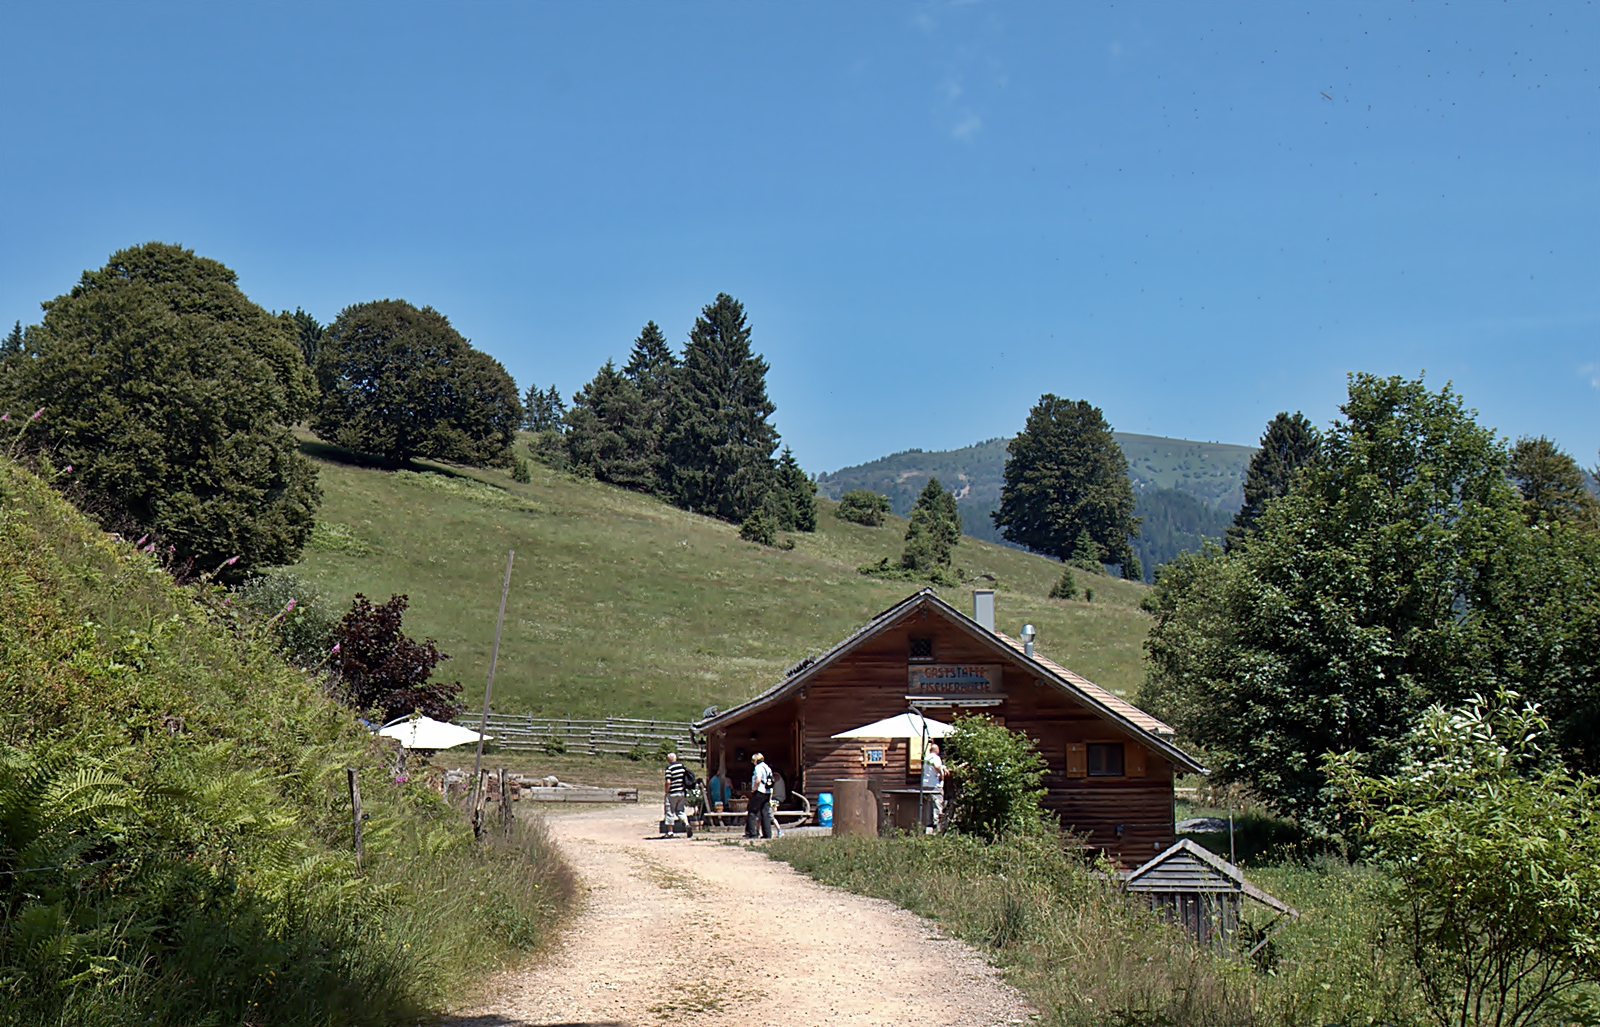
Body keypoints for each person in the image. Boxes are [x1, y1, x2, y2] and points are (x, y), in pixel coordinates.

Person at [745, 752, 775, 839]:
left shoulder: (758, 767)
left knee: (752, 812)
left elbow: (758, 779)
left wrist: (754, 788)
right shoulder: (767, 767)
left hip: (759, 791)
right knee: (764, 813)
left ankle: (752, 833)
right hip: (767, 791)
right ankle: (767, 834)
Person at [664, 751, 693, 838]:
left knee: (670, 811)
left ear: (668, 760)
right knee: (680, 810)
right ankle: (687, 824)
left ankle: (670, 832)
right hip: (682, 792)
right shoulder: (682, 766)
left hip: (672, 792)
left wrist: (666, 791)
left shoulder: (669, 768)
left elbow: (668, 782)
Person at [922, 741, 948, 832]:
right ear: (937, 750)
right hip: (934, 785)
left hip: (925, 784)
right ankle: (937, 825)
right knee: (937, 804)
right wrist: (941, 773)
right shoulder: (936, 758)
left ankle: (928, 824)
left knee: (928, 804)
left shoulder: (926, 758)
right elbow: (937, 766)